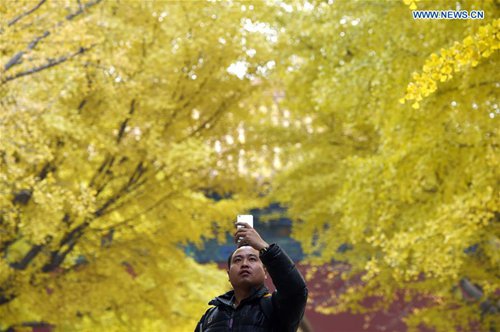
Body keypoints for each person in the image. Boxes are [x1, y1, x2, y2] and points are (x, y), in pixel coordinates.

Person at [195, 221, 308, 332]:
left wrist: (265, 248)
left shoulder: (276, 307)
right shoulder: (210, 317)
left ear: (265, 272)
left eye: (252, 259)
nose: (244, 264)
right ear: (229, 275)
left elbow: (295, 290)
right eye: (238, 260)